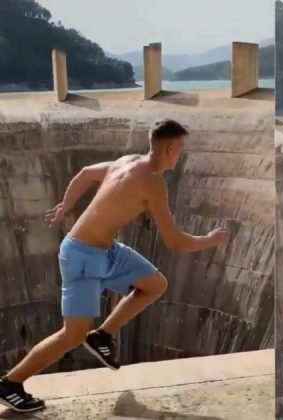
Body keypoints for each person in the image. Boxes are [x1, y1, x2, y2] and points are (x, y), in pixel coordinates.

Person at [0, 119, 228, 413]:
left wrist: (67, 205)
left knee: (155, 285)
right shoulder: (154, 183)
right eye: (180, 148)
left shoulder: (127, 161)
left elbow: (84, 174)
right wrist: (210, 240)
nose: (180, 154)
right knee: (72, 335)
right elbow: (175, 241)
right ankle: (10, 382)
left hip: (107, 251)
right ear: (170, 148)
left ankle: (103, 335)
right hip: (82, 256)